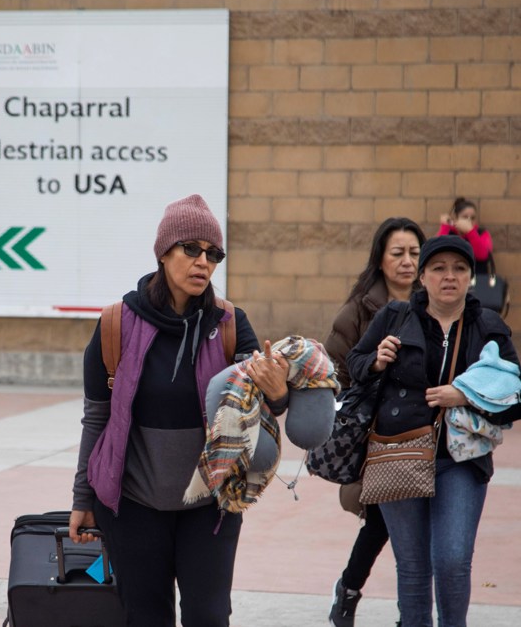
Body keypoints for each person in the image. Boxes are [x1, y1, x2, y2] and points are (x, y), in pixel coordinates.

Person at [68, 194, 289, 626]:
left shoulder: (230, 325)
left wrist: (278, 393)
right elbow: (96, 419)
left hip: (210, 507)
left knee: (209, 617)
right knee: (146, 618)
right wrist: (82, 499)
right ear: (164, 252)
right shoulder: (115, 325)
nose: (203, 262)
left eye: (213, 254)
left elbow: (264, 406)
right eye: (191, 249)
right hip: (131, 505)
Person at [346, 235, 521, 627]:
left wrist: (467, 395)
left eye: (459, 268)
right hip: (399, 452)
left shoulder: (488, 325)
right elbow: (354, 364)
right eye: (439, 268)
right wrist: (376, 361)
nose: (449, 277)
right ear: (422, 276)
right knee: (412, 566)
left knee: (452, 560)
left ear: (470, 277)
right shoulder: (395, 317)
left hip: (462, 459)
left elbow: (515, 395)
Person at [324, 216, 426, 627]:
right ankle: (386, 604)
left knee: (396, 525)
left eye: (415, 253)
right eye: (397, 253)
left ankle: (352, 591)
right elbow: (334, 371)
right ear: (380, 260)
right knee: (391, 522)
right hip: (377, 438)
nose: (407, 261)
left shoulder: (434, 304)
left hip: (426, 434)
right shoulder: (359, 310)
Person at [437, 197, 492, 274]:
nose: (469, 221)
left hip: (476, 277)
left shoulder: (482, 233)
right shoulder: (449, 233)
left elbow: (482, 255)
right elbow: (437, 252)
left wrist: (470, 232)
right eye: (465, 217)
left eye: (472, 218)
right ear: (456, 218)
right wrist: (445, 226)